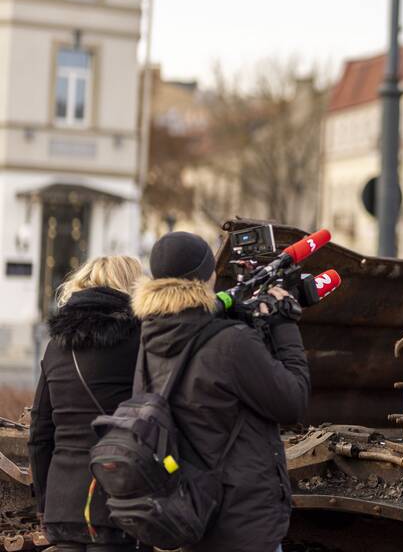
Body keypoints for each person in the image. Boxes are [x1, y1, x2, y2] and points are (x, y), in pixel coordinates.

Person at [132, 231, 309, 552]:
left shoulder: (151, 338)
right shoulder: (230, 342)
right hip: (240, 522)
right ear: (207, 276)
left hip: (186, 510)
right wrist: (284, 325)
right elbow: (292, 402)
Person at [29, 256, 145, 552]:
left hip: (62, 505)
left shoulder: (56, 346)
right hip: (118, 500)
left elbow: (40, 433)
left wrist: (45, 504)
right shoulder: (140, 339)